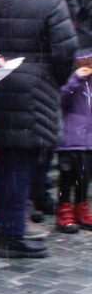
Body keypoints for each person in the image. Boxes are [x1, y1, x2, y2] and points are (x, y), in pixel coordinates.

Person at [0, 0, 76, 257]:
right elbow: (65, 49)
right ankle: (11, 237)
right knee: (20, 166)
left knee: (7, 162)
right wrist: (53, 80)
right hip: (35, 87)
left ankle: (8, 230)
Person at [55, 50, 92, 232]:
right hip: (71, 138)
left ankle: (81, 207)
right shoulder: (71, 78)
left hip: (89, 139)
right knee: (67, 176)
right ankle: (64, 209)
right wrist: (75, 79)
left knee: (85, 177)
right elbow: (61, 98)